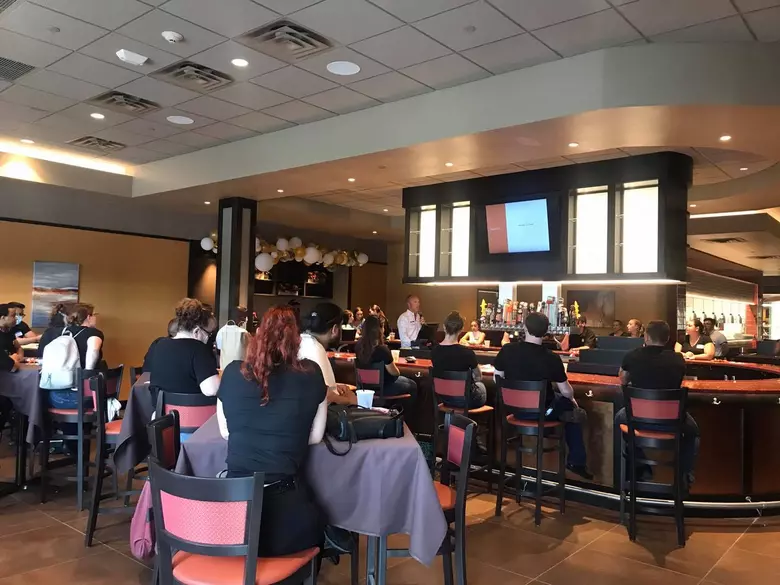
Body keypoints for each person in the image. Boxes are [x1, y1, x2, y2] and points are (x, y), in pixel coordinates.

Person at [217, 305, 325, 557]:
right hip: (286, 521)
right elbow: (316, 436)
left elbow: (225, 431)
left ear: (256, 338)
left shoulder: (232, 372)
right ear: (296, 341)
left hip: (234, 515)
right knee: (319, 519)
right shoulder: (311, 374)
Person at [494, 312, 592, 479]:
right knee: (573, 410)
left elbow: (497, 379)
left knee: (561, 405)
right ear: (546, 331)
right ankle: (576, 462)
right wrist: (572, 399)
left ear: (525, 328)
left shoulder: (507, 350)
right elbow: (566, 391)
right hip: (542, 413)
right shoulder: (551, 358)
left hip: (513, 411)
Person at [618, 320, 699, 487]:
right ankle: (685, 473)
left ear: (646, 336)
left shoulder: (632, 356)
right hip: (672, 422)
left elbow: (623, 379)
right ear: (667, 338)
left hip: (638, 419)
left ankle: (636, 468)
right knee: (693, 431)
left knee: (618, 419)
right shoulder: (678, 359)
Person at [145, 298, 220, 398]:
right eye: (208, 334)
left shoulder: (159, 345)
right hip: (193, 408)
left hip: (161, 407)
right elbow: (211, 390)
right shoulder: (198, 348)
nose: (208, 338)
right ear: (196, 331)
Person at [298, 302, 355, 405]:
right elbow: (325, 396)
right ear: (334, 329)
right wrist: (351, 400)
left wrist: (334, 386)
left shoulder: (302, 341)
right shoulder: (316, 349)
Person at [355, 316, 418, 401]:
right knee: (413, 385)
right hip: (384, 388)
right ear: (380, 329)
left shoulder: (358, 347)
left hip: (364, 387)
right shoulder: (383, 350)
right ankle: (401, 409)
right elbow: (395, 373)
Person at [432, 312, 486, 409]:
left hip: (444, 398)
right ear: (461, 330)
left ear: (444, 327)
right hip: (465, 400)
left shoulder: (434, 351)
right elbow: (478, 377)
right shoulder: (467, 353)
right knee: (481, 386)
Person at [0, 304, 20, 373]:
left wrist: (19, 357)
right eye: (13, 316)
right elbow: (13, 367)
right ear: (3, 318)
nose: (16, 318)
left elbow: (18, 347)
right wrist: (14, 359)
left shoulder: (10, 331)